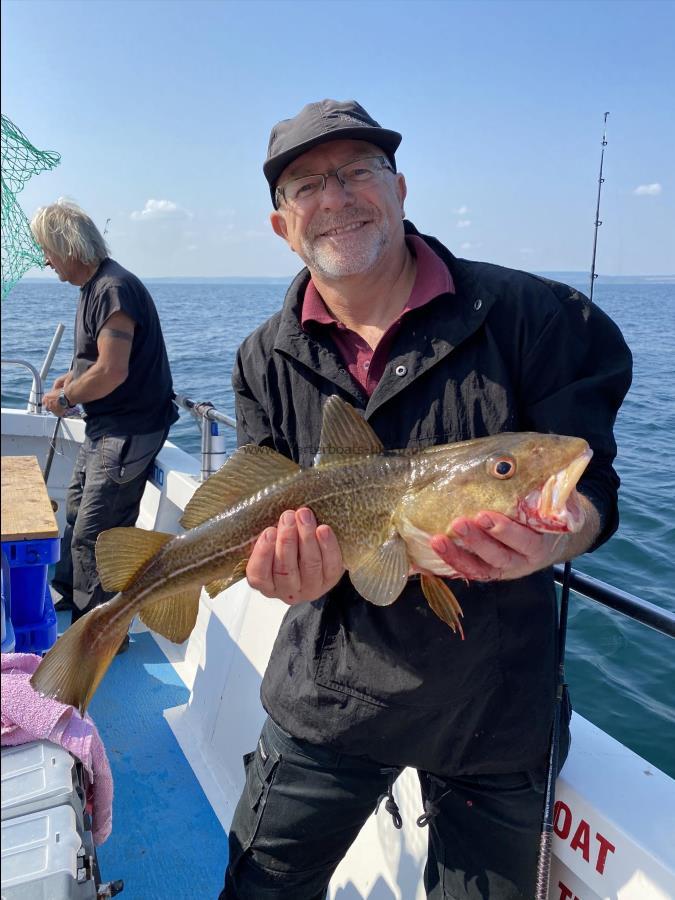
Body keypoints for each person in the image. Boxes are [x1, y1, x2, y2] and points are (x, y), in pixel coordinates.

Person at [220, 100, 632, 899]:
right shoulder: (262, 358)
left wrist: (559, 535)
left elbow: (593, 486)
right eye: (306, 184)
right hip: (329, 690)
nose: (334, 196)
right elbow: (255, 501)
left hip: (498, 704)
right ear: (282, 225)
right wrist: (275, 575)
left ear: (401, 189)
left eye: (357, 172)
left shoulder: (535, 317)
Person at [30, 200, 179, 636]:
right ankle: (68, 598)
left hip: (129, 429)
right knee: (76, 513)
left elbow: (113, 370)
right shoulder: (96, 288)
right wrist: (69, 380)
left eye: (48, 250)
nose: (46, 261)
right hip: (106, 426)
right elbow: (96, 361)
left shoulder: (113, 288)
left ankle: (97, 638)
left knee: (95, 535)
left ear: (68, 246)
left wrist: (66, 398)